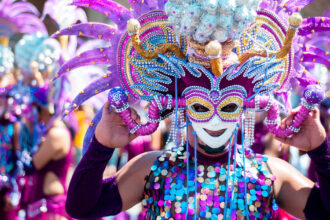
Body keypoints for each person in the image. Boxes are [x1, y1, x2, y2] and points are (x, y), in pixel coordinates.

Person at [54, 0, 330, 219]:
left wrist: (321, 151)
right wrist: (101, 147)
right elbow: (81, 208)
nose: (214, 119)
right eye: (200, 106)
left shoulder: (270, 173)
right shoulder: (152, 169)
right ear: (181, 106)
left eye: (229, 105)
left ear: (246, 106)